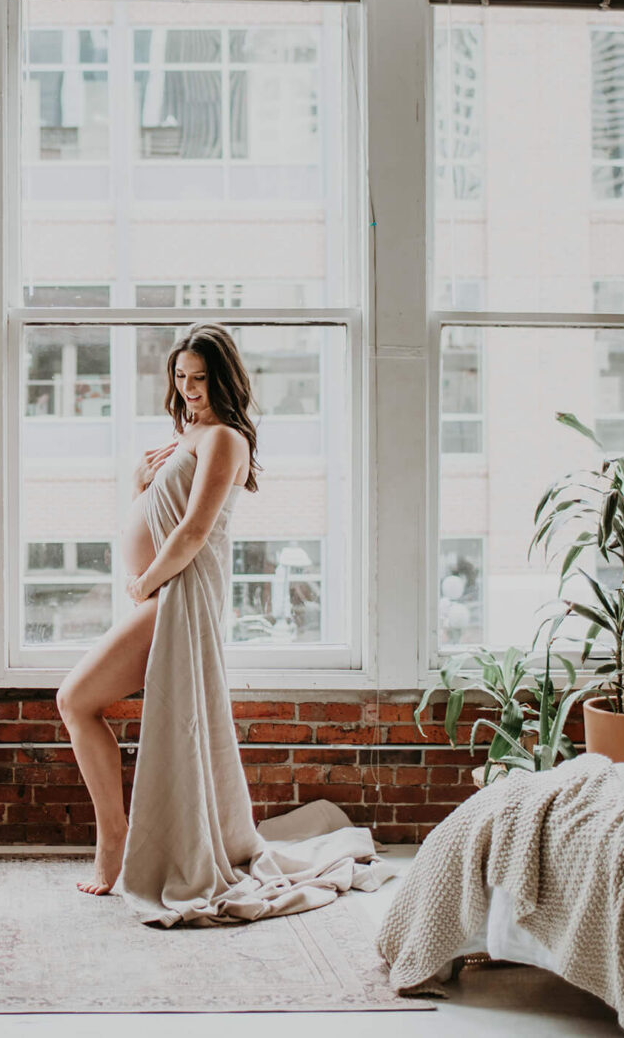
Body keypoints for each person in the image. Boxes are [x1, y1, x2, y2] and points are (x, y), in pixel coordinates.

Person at [55, 322, 384, 927]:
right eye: (180, 378)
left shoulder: (225, 439)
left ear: (223, 378)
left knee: (74, 698)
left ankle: (114, 844)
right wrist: (139, 484)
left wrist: (146, 582)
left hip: (178, 597)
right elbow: (159, 512)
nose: (189, 390)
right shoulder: (188, 434)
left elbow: (194, 532)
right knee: (79, 703)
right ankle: (118, 840)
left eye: (200, 379)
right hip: (161, 594)